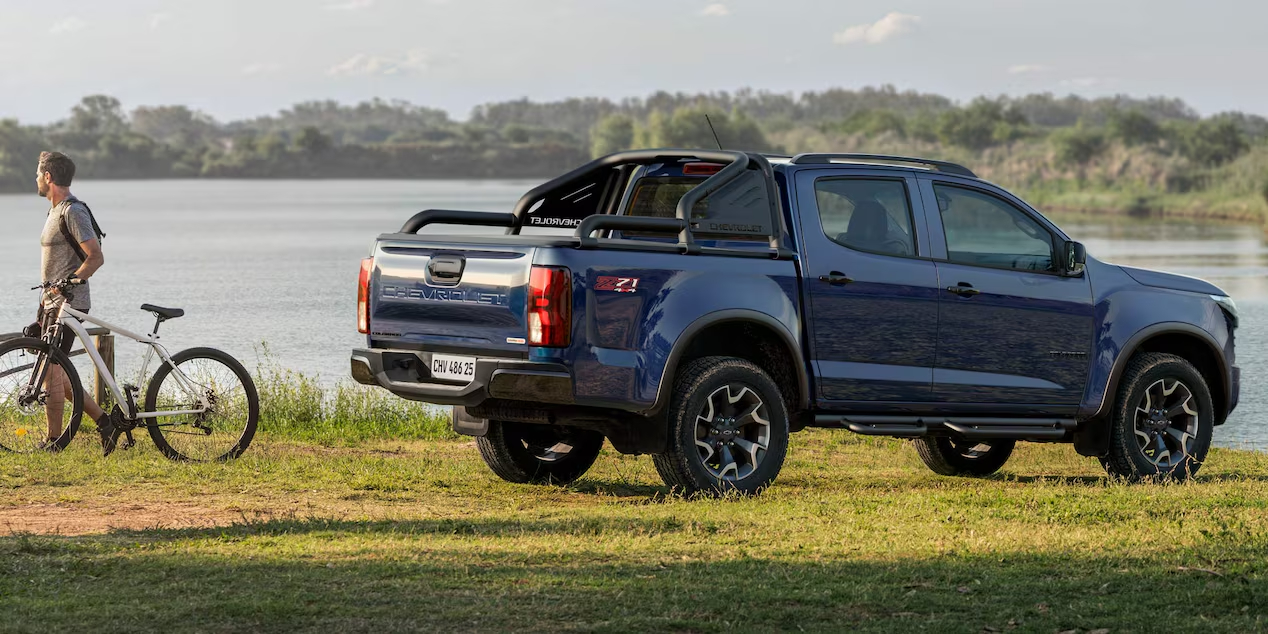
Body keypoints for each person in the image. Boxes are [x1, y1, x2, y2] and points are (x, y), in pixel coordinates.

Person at [34, 151, 119, 454]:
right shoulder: (55, 211)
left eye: (38, 173)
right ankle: (106, 422)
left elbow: (95, 257)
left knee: (51, 373)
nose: (35, 179)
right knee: (57, 373)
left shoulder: (73, 211)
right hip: (51, 304)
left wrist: (70, 283)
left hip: (69, 305)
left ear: (48, 177)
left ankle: (55, 440)